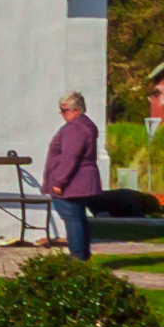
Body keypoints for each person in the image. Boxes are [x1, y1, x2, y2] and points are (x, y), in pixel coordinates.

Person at [41, 90, 105, 260]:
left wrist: (59, 182)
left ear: (76, 111)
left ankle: (77, 257)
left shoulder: (75, 128)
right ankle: (82, 256)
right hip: (81, 182)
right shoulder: (86, 125)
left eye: (65, 110)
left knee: (72, 219)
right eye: (61, 110)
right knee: (78, 218)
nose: (62, 114)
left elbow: (70, 157)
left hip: (72, 183)